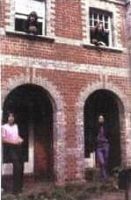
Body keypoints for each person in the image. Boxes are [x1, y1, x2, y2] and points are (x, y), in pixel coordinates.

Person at [2, 112, 24, 194]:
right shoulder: (4, 127)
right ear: (7, 118)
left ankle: (19, 188)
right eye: (9, 117)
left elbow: (16, 136)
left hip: (18, 147)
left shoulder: (16, 126)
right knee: (17, 166)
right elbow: (3, 140)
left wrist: (20, 139)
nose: (11, 118)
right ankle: (15, 190)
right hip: (10, 148)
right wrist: (13, 142)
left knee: (21, 166)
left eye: (12, 117)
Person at [96, 115, 110, 181]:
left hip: (106, 145)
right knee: (102, 162)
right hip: (99, 146)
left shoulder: (106, 127)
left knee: (106, 160)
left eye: (102, 118)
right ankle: (104, 176)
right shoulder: (96, 127)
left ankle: (104, 174)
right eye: (99, 118)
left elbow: (110, 135)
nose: (100, 120)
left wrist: (107, 140)